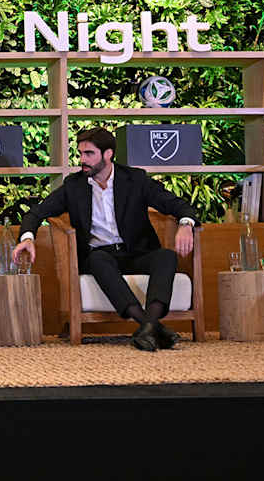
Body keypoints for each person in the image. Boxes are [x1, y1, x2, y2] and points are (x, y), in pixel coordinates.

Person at [11, 127, 198, 352]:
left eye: (89, 154)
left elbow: (176, 204)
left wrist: (186, 224)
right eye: (80, 154)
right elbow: (37, 212)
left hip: (138, 252)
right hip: (102, 256)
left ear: (108, 154)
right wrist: (28, 238)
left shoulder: (135, 179)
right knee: (97, 259)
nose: (82, 160)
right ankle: (152, 326)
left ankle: (149, 326)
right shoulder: (74, 185)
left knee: (166, 256)